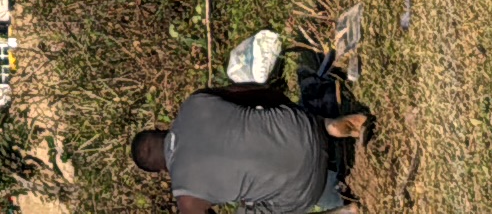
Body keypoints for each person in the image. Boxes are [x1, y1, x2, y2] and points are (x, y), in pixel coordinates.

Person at [131, 87, 369, 214]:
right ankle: (329, 125)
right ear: (161, 130)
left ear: (161, 171)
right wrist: (289, 112)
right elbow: (262, 92)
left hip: (303, 188)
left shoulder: (186, 199)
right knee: (265, 119)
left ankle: (343, 212)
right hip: (304, 127)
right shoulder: (195, 102)